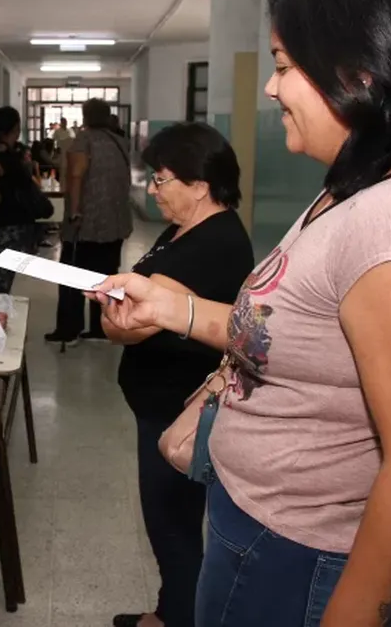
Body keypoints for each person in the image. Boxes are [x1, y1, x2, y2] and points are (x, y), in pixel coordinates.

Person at [89, 0, 391, 626]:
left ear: (356, 72)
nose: (271, 90)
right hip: (267, 531)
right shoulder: (354, 188)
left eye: (282, 64)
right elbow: (292, 333)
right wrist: (175, 307)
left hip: (303, 559)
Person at [109, 123, 254, 627]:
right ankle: (171, 611)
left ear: (199, 184)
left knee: (171, 523)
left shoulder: (214, 243)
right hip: (159, 401)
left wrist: (113, 312)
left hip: (176, 407)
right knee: (170, 521)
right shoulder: (184, 230)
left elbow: (128, 327)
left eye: (162, 178)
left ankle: (176, 619)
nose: (153, 189)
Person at [45, 98, 133, 344]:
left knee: (72, 274)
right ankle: (101, 328)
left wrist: (74, 211)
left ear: (86, 116)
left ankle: (69, 330)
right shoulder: (120, 141)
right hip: (116, 221)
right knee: (106, 276)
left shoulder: (84, 140)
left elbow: (76, 176)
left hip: (88, 222)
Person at [0, 106, 39, 294]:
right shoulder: (0, 151)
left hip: (6, 222)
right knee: (1, 280)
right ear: (16, 127)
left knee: (3, 278)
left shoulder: (4, 148)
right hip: (6, 224)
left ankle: (1, 308)